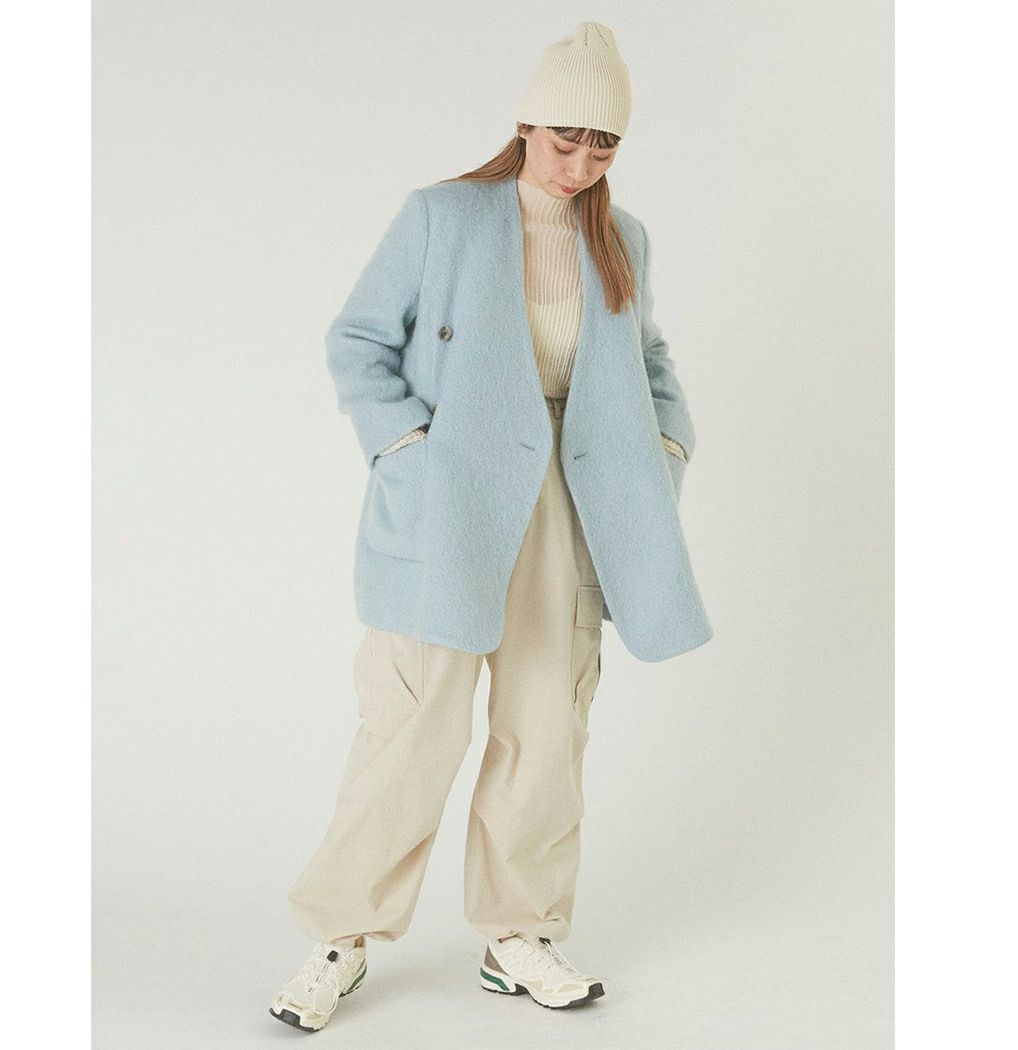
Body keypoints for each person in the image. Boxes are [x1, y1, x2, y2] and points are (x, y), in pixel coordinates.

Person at [269, 21, 712, 1032]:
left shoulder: (624, 237)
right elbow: (358, 339)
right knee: (411, 723)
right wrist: (406, 449)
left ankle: (520, 932)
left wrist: (668, 444)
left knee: (548, 723)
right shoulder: (445, 215)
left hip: (572, 495)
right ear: (524, 123)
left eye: (603, 145)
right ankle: (339, 937)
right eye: (566, 138)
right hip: (453, 491)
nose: (580, 164)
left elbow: (649, 360)